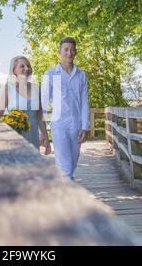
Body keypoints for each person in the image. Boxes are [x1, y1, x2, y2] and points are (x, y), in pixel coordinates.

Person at [41, 37, 90, 180]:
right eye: (66, 49)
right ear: (60, 51)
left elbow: (84, 102)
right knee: (65, 168)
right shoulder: (50, 74)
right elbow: (43, 105)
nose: (69, 53)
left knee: (72, 165)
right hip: (59, 126)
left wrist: (85, 127)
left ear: (76, 52)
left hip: (76, 126)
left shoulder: (81, 75)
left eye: (72, 49)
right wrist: (42, 132)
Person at [0, 56, 51, 155]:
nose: (27, 68)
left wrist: (46, 138)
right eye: (22, 66)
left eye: (28, 66)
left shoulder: (36, 88)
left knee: (32, 167)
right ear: (14, 70)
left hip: (33, 136)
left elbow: (39, 116)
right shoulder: (7, 89)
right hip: (15, 137)